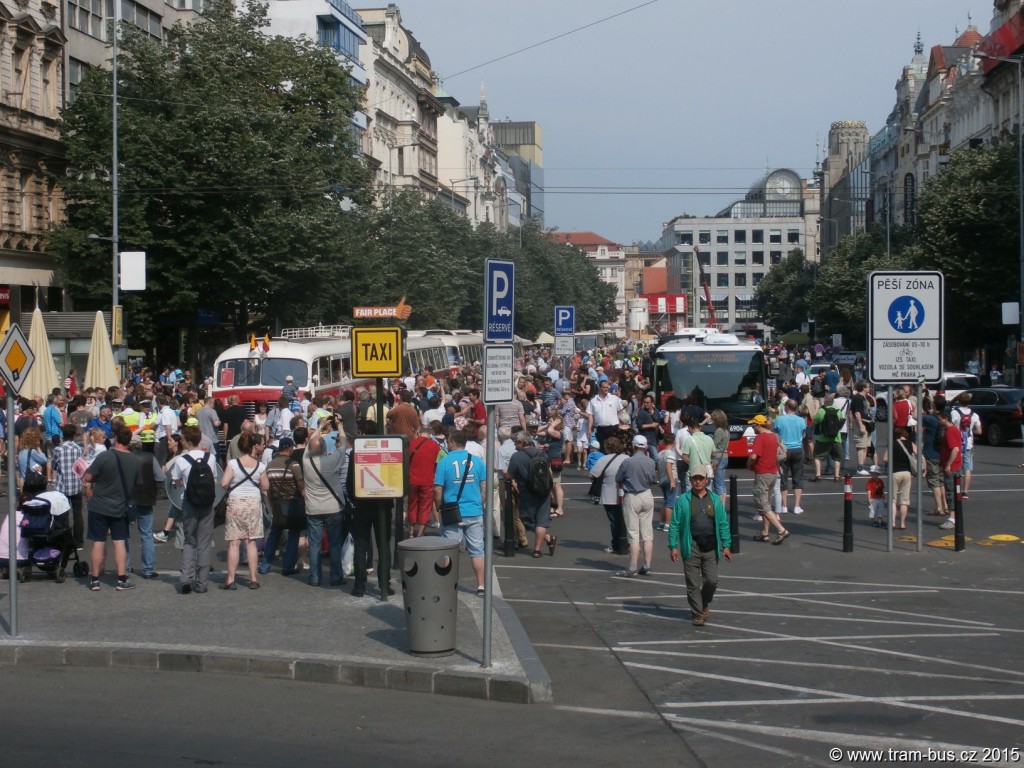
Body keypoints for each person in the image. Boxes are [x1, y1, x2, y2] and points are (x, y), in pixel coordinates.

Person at [668, 466, 732, 627]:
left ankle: (703, 602)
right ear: (690, 480)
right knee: (692, 583)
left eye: (700, 478)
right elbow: (674, 523)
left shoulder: (715, 500)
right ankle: (697, 613)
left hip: (711, 545)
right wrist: (673, 546)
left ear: (706, 480)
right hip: (691, 545)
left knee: (711, 580)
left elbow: (723, 523)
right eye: (694, 478)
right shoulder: (683, 500)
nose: (697, 481)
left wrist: (726, 545)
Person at [82, 427, 140, 592]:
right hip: (120, 505)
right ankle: (121, 579)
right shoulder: (134, 460)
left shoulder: (105, 456)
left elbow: (88, 477)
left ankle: (95, 580)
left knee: (98, 542)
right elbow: (135, 483)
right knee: (119, 541)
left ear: (115, 438)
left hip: (99, 504)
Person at [434, 430, 488, 595]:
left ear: (451, 442)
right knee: (477, 550)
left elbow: (437, 489)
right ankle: (481, 585)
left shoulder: (445, 461)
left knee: (449, 549)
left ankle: (447, 584)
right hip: (474, 510)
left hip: (452, 511)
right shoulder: (477, 462)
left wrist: (439, 506)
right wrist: (480, 503)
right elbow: (483, 488)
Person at [170, 425, 219, 594]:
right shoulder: (210, 458)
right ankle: (202, 583)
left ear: (188, 442)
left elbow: (176, 482)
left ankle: (186, 578)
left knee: (189, 541)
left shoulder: (181, 460)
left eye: (182, 439)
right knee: (204, 544)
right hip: (207, 504)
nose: (180, 441)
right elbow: (213, 479)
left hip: (189, 503)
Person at [220, 431, 268, 589]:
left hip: (235, 502)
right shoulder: (260, 466)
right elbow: (265, 486)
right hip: (253, 502)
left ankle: (231, 579)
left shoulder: (233, 464)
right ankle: (253, 578)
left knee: (234, 542)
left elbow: (224, 483)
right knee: (251, 541)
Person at [301, 433, 348, 588]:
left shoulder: (306, 460)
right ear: (324, 448)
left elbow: (309, 444)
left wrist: (320, 427)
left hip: (313, 508)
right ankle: (336, 576)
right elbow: (343, 445)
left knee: (314, 544)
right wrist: (340, 427)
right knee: (335, 543)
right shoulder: (332, 461)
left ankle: (314, 577)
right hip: (333, 507)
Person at [507, 430, 557, 560]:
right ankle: (538, 548)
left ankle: (546, 541)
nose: (514, 445)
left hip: (527, 492)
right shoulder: (542, 453)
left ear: (521, 443)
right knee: (542, 520)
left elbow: (509, 474)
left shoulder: (516, 457)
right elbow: (549, 472)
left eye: (516, 442)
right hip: (544, 490)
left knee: (526, 519)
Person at [614, 435, 658, 577]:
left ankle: (633, 566)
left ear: (633, 446)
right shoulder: (651, 462)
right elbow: (652, 479)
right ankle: (647, 565)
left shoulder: (628, 462)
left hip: (632, 495)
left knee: (633, 534)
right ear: (645, 447)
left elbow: (618, 478)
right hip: (647, 494)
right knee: (647, 533)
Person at [259, 437, 304, 576]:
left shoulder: (270, 465)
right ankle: (288, 566)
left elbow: (269, 490)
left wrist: (272, 506)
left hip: (278, 504)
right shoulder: (293, 464)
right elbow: (301, 486)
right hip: (293, 503)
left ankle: (265, 565)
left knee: (274, 534)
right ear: (290, 448)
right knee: (294, 534)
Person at [747, 415, 788, 544]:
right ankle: (765, 532)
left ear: (759, 425)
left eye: (754, 425)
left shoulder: (760, 438)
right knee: (767, 503)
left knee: (761, 503)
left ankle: (781, 530)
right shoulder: (773, 437)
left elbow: (754, 456)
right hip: (773, 472)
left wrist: (748, 464)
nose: (753, 428)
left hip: (763, 473)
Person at [128, 433, 163, 579]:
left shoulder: (124, 458)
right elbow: (161, 477)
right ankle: (148, 570)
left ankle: (125, 568)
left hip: (127, 499)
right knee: (146, 535)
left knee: (124, 535)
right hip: (145, 498)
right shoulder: (150, 458)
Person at [590, 436, 628, 554]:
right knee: (627, 520)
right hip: (625, 493)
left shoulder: (603, 459)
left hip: (609, 494)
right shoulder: (626, 458)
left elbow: (592, 475)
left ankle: (616, 544)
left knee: (614, 521)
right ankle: (629, 542)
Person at [52, 423, 85, 546]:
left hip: (63, 485)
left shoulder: (58, 449)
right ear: (73, 435)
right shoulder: (78, 449)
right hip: (76, 484)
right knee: (78, 514)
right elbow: (80, 465)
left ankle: (65, 540)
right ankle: (78, 541)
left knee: (63, 514)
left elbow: (55, 465)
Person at [775, 399, 806, 515]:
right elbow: (803, 434)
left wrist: (781, 443)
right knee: (797, 477)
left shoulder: (780, 420)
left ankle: (784, 505)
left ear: (787, 407)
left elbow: (776, 434)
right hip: (797, 448)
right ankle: (797, 506)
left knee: (783, 477)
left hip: (784, 449)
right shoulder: (801, 420)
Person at [950, 393, 982, 500]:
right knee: (967, 468)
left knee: (956, 466)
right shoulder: (974, 414)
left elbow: (950, 426)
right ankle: (965, 492)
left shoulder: (954, 413)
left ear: (959, 401)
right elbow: (979, 431)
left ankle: (955, 489)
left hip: (957, 442)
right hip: (968, 443)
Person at [937, 410, 963, 531]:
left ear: (945, 418)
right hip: (955, 465)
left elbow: (955, 449)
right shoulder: (955, 430)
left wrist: (948, 465)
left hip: (952, 467)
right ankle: (954, 517)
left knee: (951, 493)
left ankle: (952, 518)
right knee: (953, 492)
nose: (939, 421)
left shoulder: (950, 432)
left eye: (940, 419)